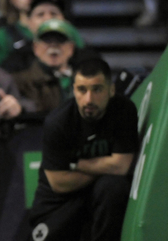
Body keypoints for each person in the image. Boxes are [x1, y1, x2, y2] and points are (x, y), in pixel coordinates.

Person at [29, 58, 137, 241]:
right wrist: (103, 168)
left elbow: (121, 166)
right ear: (74, 91)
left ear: (111, 90)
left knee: (114, 187)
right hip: (59, 201)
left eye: (97, 89)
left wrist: (75, 164)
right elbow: (59, 183)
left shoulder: (123, 110)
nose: (89, 99)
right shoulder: (58, 122)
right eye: (82, 90)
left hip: (102, 195)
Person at [13, 19, 79, 114]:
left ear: (71, 48)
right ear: (35, 47)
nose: (53, 45)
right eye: (47, 40)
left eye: (60, 39)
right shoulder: (19, 82)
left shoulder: (85, 80)